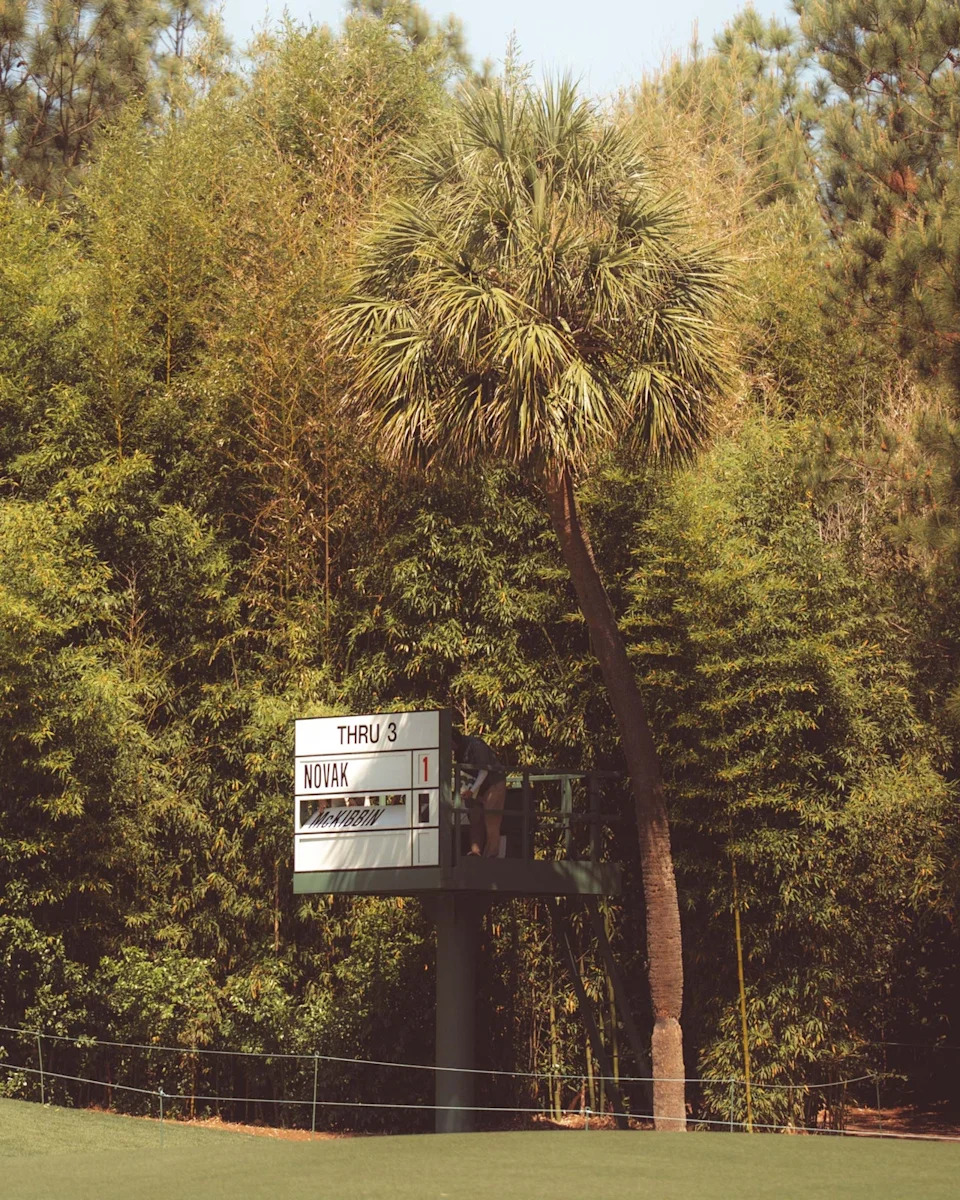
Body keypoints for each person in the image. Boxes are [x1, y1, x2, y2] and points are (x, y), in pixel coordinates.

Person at [451, 729, 507, 858]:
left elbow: (484, 771)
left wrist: (472, 790)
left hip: (493, 783)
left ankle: (491, 855)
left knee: (491, 820)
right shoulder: (458, 751)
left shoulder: (476, 745)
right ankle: (475, 851)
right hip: (475, 787)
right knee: (475, 819)